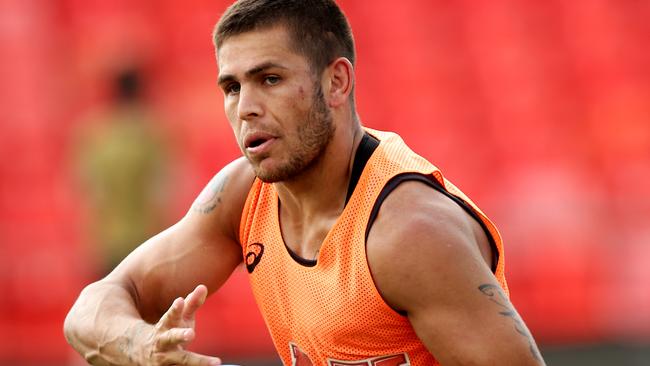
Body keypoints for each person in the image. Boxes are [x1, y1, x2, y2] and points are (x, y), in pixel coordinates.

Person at [64, 0, 546, 365]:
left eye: (269, 79)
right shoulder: (241, 195)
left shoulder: (409, 234)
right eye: (231, 87)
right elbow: (91, 308)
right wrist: (144, 346)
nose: (246, 107)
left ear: (337, 83)